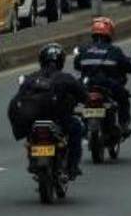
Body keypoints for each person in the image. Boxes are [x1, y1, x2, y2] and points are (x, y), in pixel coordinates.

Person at [8, 43, 88, 177]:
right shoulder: (65, 78)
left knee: (30, 133)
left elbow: (18, 99)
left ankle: (33, 157)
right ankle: (73, 166)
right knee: (77, 128)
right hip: (58, 120)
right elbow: (83, 96)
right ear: (61, 61)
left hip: (34, 120)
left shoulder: (30, 78)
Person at [74, 17, 131, 137]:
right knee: (124, 98)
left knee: (71, 97)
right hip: (108, 85)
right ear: (109, 33)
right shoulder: (114, 50)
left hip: (87, 85)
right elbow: (126, 65)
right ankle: (124, 126)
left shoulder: (84, 49)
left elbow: (77, 65)